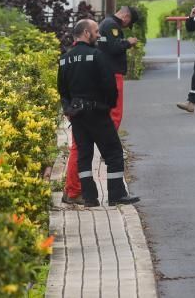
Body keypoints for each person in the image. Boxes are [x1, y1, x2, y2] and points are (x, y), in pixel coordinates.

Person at [58, 20, 139, 207]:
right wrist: (108, 106)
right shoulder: (97, 55)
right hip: (97, 112)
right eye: (95, 31)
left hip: (77, 115)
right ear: (86, 33)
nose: (98, 35)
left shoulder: (64, 59)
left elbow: (62, 90)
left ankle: (90, 198)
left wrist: (69, 109)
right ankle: (117, 194)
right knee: (114, 153)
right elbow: (109, 85)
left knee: (84, 156)